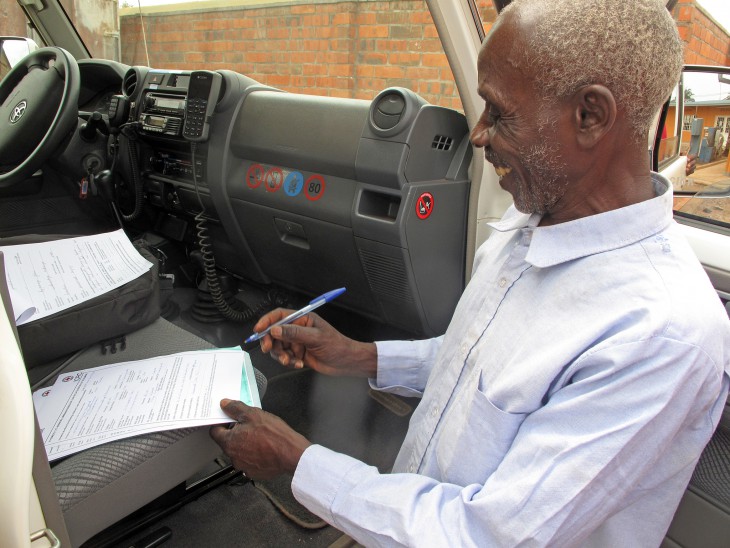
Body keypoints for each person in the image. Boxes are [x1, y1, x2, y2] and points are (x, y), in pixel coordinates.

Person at [211, 0, 730, 545]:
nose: (478, 135)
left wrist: (296, 459)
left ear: (590, 116)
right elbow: (478, 362)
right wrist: (359, 356)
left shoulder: (660, 334)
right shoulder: (532, 219)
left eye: (499, 112)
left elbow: (486, 535)